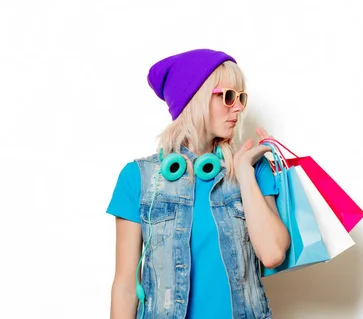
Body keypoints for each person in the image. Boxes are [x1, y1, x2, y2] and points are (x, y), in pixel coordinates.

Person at [106, 48, 290, 319]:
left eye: (241, 98)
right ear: (194, 100)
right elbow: (125, 286)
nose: (238, 107)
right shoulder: (138, 178)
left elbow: (273, 254)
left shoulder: (253, 169)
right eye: (227, 97)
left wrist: (244, 172)